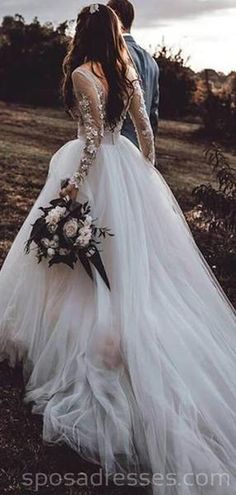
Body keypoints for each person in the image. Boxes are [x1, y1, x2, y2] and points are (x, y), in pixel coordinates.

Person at [0, 4, 236, 495]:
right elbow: (146, 131)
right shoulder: (127, 70)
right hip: (127, 166)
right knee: (126, 263)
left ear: (83, 34)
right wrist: (143, 177)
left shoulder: (86, 74)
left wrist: (71, 191)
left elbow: (88, 143)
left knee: (81, 261)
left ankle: (78, 340)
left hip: (95, 168)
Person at [107, 0, 160, 149]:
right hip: (139, 149)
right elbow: (153, 114)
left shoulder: (112, 55)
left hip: (114, 147)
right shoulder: (151, 62)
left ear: (114, 17)